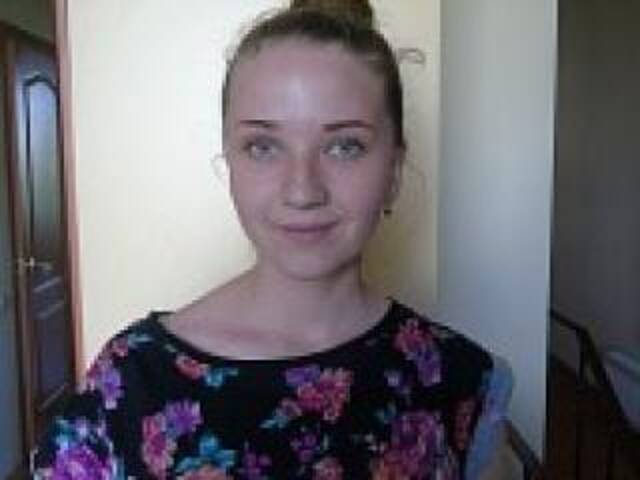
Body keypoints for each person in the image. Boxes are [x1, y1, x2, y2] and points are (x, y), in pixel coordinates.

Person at [32, 1, 511, 478]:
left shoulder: (459, 379)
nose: (302, 191)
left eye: (345, 146)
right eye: (263, 146)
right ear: (230, 164)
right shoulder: (130, 383)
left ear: (394, 172)